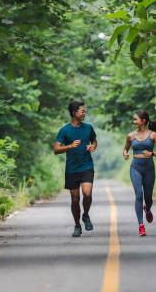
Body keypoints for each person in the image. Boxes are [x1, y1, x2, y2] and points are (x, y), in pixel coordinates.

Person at [54, 101, 98, 237]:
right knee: (74, 200)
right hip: (72, 169)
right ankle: (77, 225)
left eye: (85, 111)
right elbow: (56, 149)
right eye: (82, 111)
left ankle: (85, 215)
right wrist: (70, 146)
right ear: (74, 113)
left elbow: (94, 141)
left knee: (87, 194)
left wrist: (93, 146)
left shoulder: (88, 128)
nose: (84, 113)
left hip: (87, 166)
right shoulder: (64, 130)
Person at [123, 110, 156, 236]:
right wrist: (125, 153)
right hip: (135, 167)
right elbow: (125, 148)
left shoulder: (153, 135)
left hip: (149, 168)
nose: (133, 121)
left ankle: (148, 209)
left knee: (148, 198)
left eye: (136, 119)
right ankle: (141, 225)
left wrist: (151, 153)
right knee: (139, 195)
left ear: (143, 121)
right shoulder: (130, 136)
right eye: (133, 119)